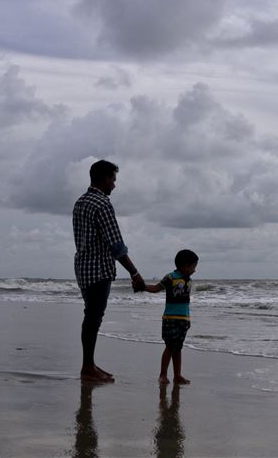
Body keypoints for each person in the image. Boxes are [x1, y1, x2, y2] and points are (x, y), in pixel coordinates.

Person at [73, 159, 146, 383]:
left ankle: (89, 364)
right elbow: (116, 245)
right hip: (98, 269)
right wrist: (135, 273)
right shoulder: (102, 204)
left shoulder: (80, 202)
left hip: (83, 267)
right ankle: (87, 367)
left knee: (91, 317)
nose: (114, 185)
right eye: (113, 180)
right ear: (104, 178)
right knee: (94, 318)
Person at [144, 249, 199, 385]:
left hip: (183, 319)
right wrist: (142, 286)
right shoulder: (170, 277)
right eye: (193, 267)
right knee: (170, 346)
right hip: (170, 318)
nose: (194, 270)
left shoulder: (189, 280)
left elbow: (186, 302)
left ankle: (177, 375)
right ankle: (163, 374)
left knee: (178, 347)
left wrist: (188, 319)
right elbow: (156, 288)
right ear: (185, 265)